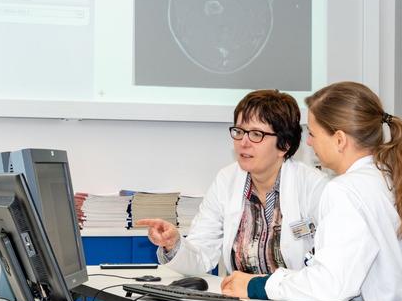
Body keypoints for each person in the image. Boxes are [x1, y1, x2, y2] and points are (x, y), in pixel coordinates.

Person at [221, 81, 402, 301]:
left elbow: (331, 285)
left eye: (313, 134)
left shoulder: (343, 190)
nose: (309, 142)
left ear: (339, 140)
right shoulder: (386, 177)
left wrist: (256, 285)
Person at [135, 90, 327, 277]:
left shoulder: (314, 186)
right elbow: (201, 254)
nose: (243, 142)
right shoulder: (226, 180)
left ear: (284, 145)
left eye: (256, 134)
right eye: (239, 131)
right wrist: (174, 243)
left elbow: (328, 267)